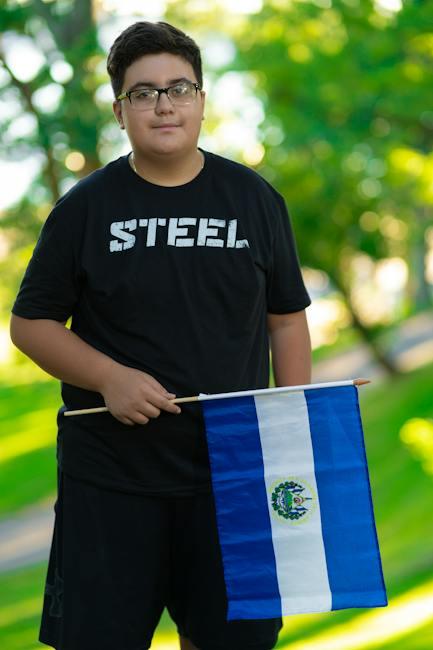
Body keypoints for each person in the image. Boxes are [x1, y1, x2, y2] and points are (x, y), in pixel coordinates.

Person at [10, 20, 312, 650]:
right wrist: (109, 378)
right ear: (120, 111)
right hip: (111, 479)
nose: (164, 103)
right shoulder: (84, 209)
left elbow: (286, 318)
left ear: (202, 99)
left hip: (233, 477)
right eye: (143, 92)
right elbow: (30, 324)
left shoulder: (254, 199)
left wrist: (289, 427)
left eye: (180, 87)